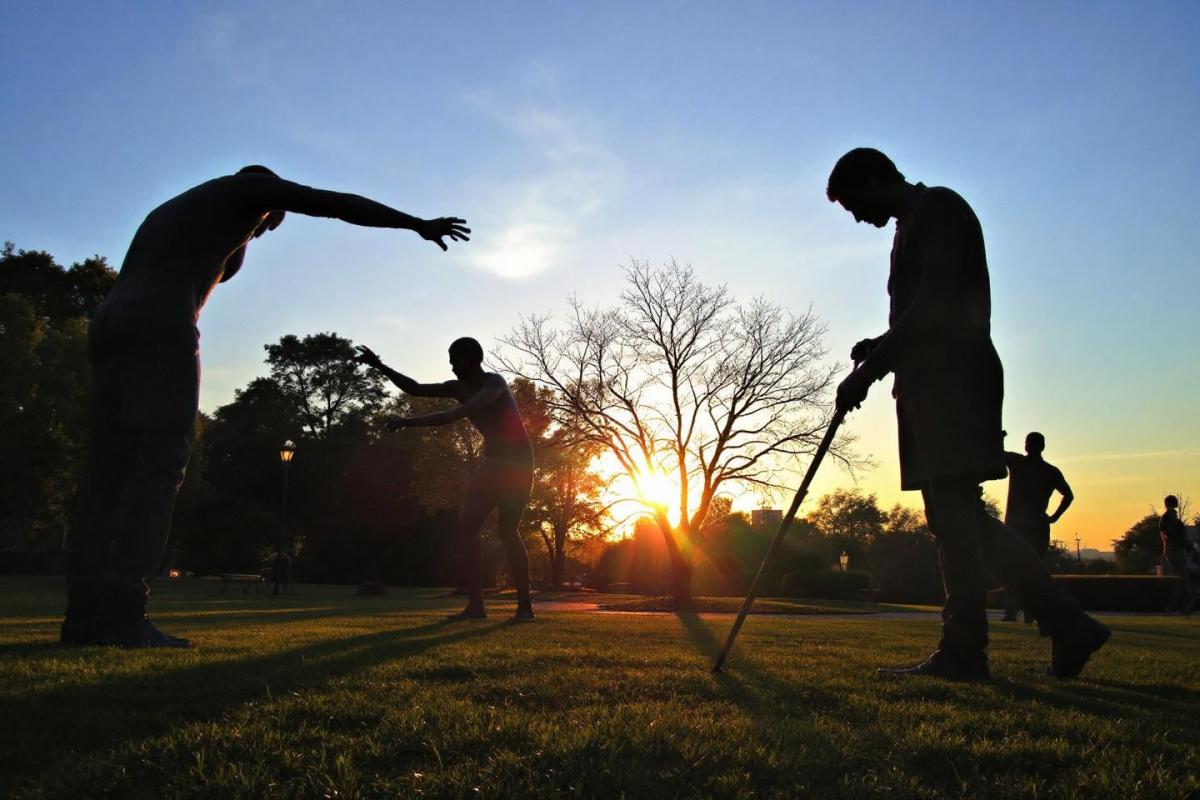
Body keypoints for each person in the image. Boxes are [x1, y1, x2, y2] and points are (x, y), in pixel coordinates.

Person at [64, 166, 470, 648]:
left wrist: (246, 237)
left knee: (106, 474)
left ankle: (84, 616)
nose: (264, 230)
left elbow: (209, 260)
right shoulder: (248, 189)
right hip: (161, 323)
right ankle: (121, 613)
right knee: (160, 461)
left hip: (111, 323)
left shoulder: (175, 210)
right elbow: (332, 202)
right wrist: (415, 224)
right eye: (269, 222)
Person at [827, 147, 1110, 680]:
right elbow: (919, 312)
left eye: (854, 204)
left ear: (872, 179)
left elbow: (936, 306)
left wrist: (869, 371)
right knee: (959, 520)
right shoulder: (910, 224)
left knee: (954, 522)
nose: (858, 218)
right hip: (932, 384)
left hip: (953, 384)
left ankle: (965, 652)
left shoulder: (937, 210)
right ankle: (1066, 626)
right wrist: (880, 346)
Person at [355, 338, 536, 622]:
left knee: (507, 532)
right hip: (493, 464)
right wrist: (379, 366)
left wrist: (409, 421)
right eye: (450, 360)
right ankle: (476, 607)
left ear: (473, 359)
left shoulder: (494, 383)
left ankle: (525, 608)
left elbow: (457, 413)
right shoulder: (456, 388)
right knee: (467, 529)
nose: (452, 366)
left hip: (518, 465)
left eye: (456, 359)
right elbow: (414, 388)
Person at [1001, 432, 1074, 622]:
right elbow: (1068, 495)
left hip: (1020, 526)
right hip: (1033, 526)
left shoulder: (1020, 463)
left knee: (1015, 568)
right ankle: (1027, 612)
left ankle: (1016, 612)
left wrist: (999, 436)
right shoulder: (1048, 470)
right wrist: (1054, 517)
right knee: (1031, 570)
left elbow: (996, 452)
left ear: (1028, 446)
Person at [1160, 495, 1193, 615]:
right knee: (1181, 578)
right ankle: (1177, 605)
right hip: (1175, 550)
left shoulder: (1167, 518)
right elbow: (1172, 535)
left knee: (1180, 578)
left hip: (1173, 549)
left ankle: (1178, 605)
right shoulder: (1170, 519)